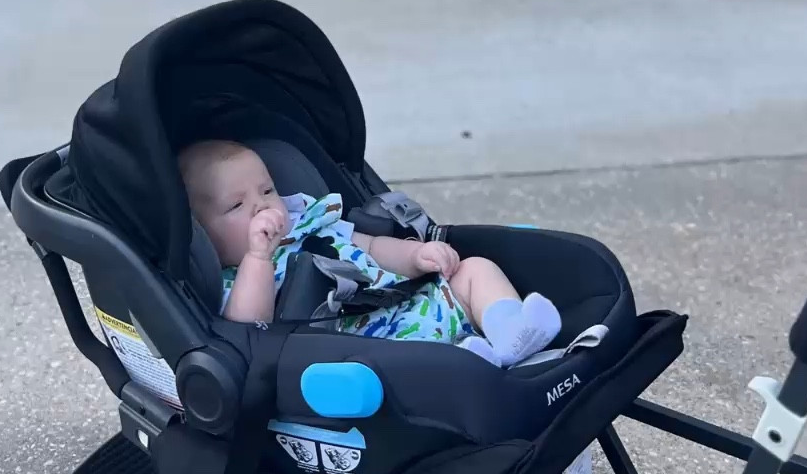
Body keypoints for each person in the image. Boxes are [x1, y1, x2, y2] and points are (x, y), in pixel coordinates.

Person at [179, 139, 561, 368]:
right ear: (202, 235)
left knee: (476, 268)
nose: (262, 208)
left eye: (266, 191)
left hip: (415, 304)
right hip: (373, 346)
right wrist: (259, 258)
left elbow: (371, 246)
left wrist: (415, 258)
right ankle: (473, 362)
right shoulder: (238, 278)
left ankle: (512, 333)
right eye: (236, 206)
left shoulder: (311, 222)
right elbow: (251, 327)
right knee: (406, 371)